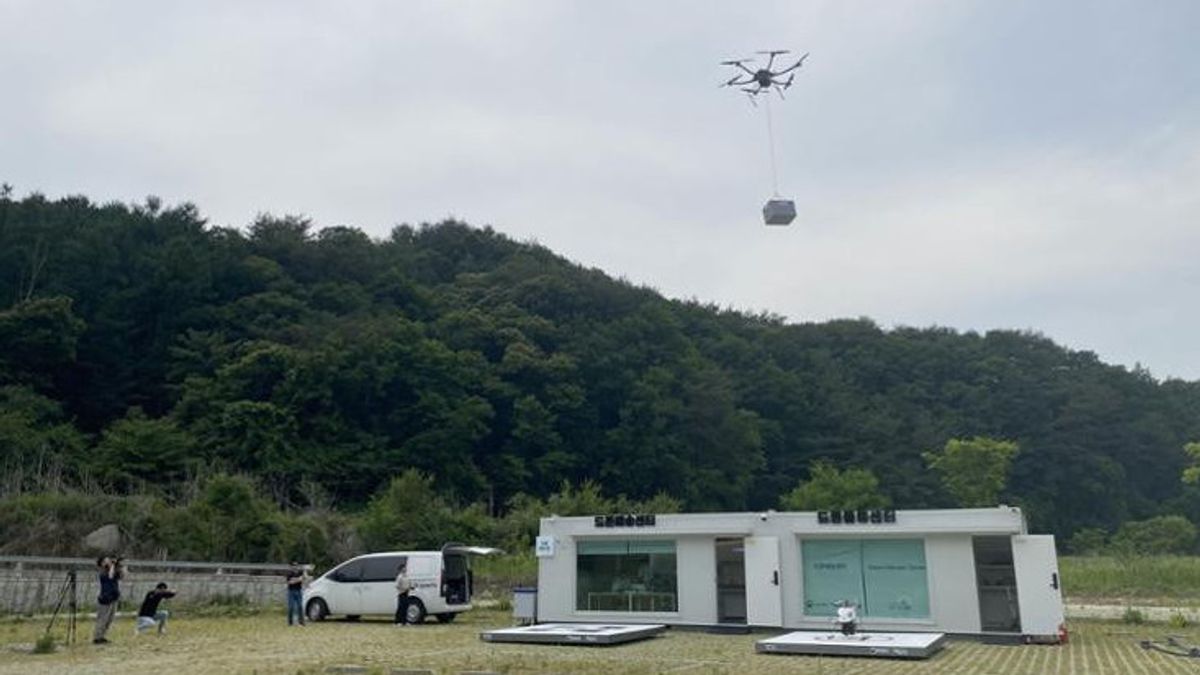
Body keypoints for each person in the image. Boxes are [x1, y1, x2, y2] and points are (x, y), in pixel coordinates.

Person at [93, 556, 124, 644]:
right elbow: (110, 576)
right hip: (105, 599)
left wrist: (120, 566)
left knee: (109, 619)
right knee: (102, 619)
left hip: (113, 598)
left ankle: (102, 636)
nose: (109, 561)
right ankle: (97, 637)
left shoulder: (113, 570)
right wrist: (112, 565)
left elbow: (122, 576)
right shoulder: (102, 572)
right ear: (102, 563)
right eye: (106, 561)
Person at [285, 562, 309, 626]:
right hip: (291, 592)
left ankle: (301, 622)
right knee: (291, 607)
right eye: (293, 566)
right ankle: (290, 622)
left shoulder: (300, 573)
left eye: (296, 565)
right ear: (291, 567)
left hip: (298, 591)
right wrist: (299, 579)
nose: (295, 567)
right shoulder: (289, 573)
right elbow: (290, 582)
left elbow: (306, 578)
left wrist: (305, 571)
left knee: (300, 606)